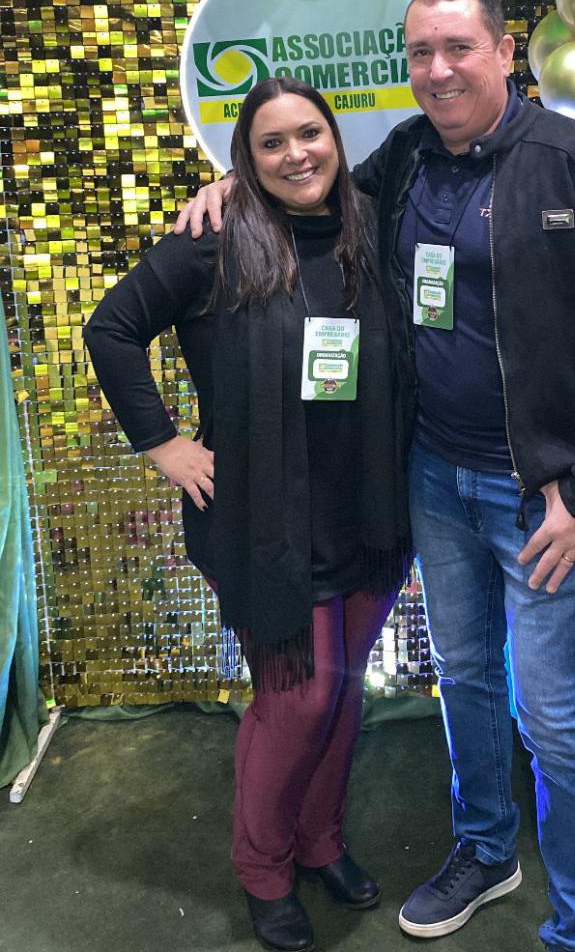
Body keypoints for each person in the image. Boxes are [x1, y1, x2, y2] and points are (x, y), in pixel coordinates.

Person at [176, 0, 575, 952]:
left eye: (458, 48)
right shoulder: (405, 158)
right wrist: (232, 183)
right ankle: (485, 851)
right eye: (420, 53)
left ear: (504, 53)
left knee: (556, 718)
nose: (438, 69)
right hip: (434, 482)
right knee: (467, 680)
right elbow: (311, 193)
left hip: (543, 500)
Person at [85, 78, 412, 952]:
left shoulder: (369, 221)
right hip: (266, 516)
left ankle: (320, 840)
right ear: (245, 159)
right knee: (297, 701)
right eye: (271, 143)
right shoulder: (215, 239)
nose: (296, 154)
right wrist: (162, 443)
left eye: (310, 134)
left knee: (344, 690)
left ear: (335, 138)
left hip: (367, 505)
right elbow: (111, 328)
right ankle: (263, 867)